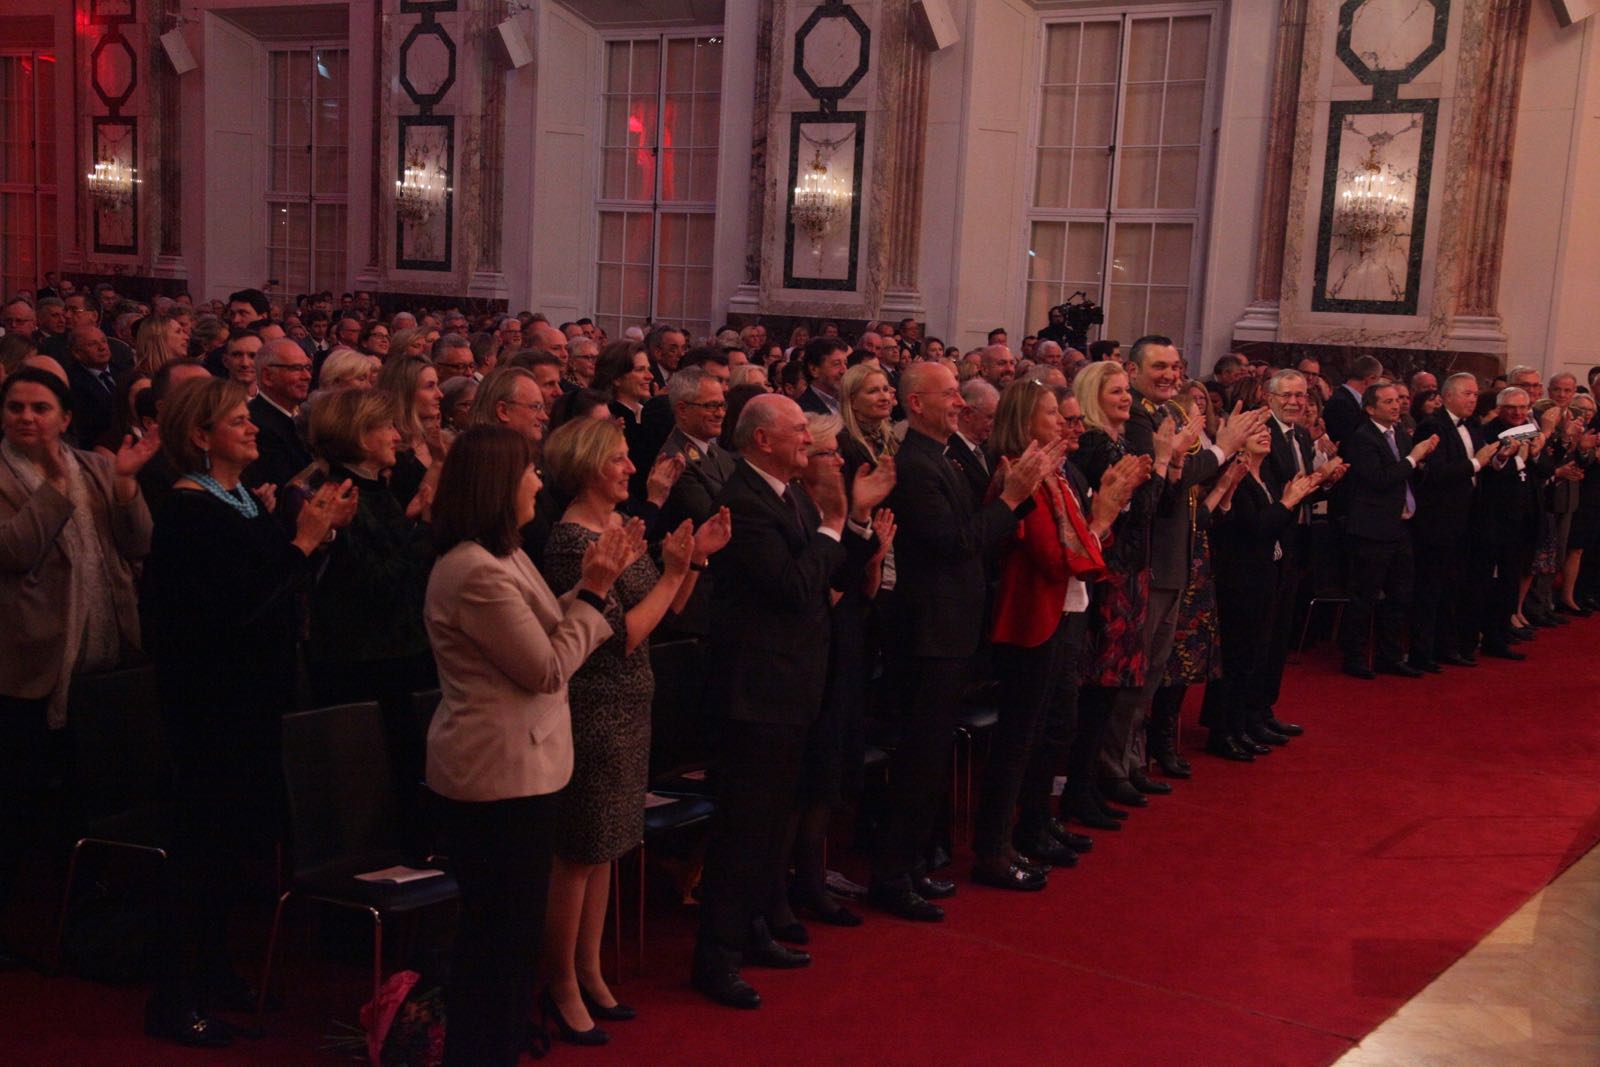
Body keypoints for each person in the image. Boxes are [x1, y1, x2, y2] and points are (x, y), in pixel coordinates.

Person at [143, 377, 356, 1048]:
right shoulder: (189, 509)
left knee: (233, 848)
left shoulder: (236, 499)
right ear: (200, 436)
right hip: (211, 704)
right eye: (237, 421)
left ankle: (217, 971)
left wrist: (312, 539)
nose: (253, 428)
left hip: (252, 697)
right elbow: (237, 605)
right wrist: (302, 540)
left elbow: (274, 580)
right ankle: (176, 997)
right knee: (201, 851)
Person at [424, 426, 638, 1066]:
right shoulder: (472, 570)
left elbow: (548, 624)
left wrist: (596, 581)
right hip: (495, 773)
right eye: (530, 473)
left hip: (527, 767)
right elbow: (545, 668)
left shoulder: (506, 555)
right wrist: (596, 594)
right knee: (498, 939)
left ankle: (499, 1047)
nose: (539, 483)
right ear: (498, 484)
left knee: (512, 939)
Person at [538, 418, 730, 1041]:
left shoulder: (615, 529)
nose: (631, 468)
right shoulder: (572, 541)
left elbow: (667, 608)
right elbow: (621, 637)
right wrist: (675, 573)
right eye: (620, 459)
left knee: (608, 849)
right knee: (579, 853)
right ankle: (559, 982)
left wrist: (691, 557)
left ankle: (590, 971)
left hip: (629, 706)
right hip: (593, 705)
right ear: (593, 466)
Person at [691, 395, 883, 1008]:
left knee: (770, 828)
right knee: (743, 832)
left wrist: (853, 524)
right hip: (755, 695)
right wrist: (832, 526)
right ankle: (715, 959)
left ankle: (752, 930)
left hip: (794, 687)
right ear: (761, 440)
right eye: (798, 429)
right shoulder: (745, 502)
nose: (810, 438)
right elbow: (796, 588)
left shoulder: (791, 494)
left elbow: (833, 576)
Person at [869, 361, 1058, 920]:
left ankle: (911, 865)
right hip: (928, 634)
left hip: (952, 630)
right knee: (917, 762)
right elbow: (955, 544)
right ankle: (891, 875)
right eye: (949, 394)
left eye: (958, 392)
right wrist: (1009, 499)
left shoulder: (947, 456)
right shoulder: (915, 466)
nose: (960, 401)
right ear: (917, 404)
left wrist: (1007, 492)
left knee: (930, 761)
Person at [0, 368, 156, 934]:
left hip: (102, 651)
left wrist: (126, 485)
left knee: (87, 794)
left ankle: (81, 909)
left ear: (65, 419)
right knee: (14, 798)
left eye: (40, 408)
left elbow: (137, 543)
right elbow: (14, 550)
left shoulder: (94, 465)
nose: (25, 417)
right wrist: (51, 486)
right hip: (28, 660)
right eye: (15, 407)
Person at [975, 380, 1129, 887]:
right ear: (1024, 420)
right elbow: (1051, 554)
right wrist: (1102, 520)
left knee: (1052, 726)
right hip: (1031, 616)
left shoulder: (1054, 473)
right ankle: (997, 846)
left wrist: (1097, 522)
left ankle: (1036, 823)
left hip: (1061, 611)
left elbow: (1078, 540)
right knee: (1021, 737)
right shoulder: (1021, 471)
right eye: (1049, 414)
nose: (1063, 423)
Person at [1066, 361, 1168, 827]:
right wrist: (1163, 462)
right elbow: (1145, 508)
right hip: (1108, 577)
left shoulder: (1121, 444)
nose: (1126, 398)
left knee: (1111, 690)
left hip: (1128, 573)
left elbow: (1143, 508)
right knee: (1097, 689)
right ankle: (1079, 790)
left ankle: (1088, 786)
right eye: (1115, 393)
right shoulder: (1095, 444)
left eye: (1127, 391)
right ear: (1092, 398)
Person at [303, 388, 437, 714]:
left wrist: (410, 524)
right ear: (361, 436)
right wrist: (426, 530)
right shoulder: (340, 497)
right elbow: (379, 583)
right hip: (369, 667)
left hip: (388, 657)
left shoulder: (371, 488)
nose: (396, 435)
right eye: (387, 426)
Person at [1202, 428, 1317, 759]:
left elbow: (1274, 527)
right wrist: (1289, 500)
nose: (1266, 435)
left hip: (1265, 575)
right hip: (1239, 579)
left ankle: (1243, 724)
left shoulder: (1263, 474)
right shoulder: (1236, 478)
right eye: (1256, 431)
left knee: (1254, 656)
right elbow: (1255, 529)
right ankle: (1223, 730)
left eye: (1267, 431)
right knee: (1237, 658)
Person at [1337, 381, 1438, 678]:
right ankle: (1354, 657)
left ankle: (1390, 656)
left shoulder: (1399, 435)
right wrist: (1413, 458)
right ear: (1370, 408)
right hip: (1372, 529)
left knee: (1400, 595)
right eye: (1388, 402)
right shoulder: (1362, 438)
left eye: (1398, 400)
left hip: (1400, 526)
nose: (1397, 406)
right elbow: (1379, 479)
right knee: (1365, 596)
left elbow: (1404, 476)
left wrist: (1418, 465)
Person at [1410, 373, 1500, 669]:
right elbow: (1436, 474)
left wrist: (1497, 459)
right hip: (1437, 521)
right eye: (1468, 394)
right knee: (1431, 588)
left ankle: (1448, 646)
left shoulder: (1473, 425)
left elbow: (1481, 463)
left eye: (1476, 394)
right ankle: (1422, 653)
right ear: (1448, 396)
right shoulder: (1432, 426)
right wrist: (1478, 462)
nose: (1474, 399)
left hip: (1468, 519)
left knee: (1455, 586)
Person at [244, 338, 314, 488]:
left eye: (308, 367)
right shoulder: (256, 425)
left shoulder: (299, 417)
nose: (307, 376)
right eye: (296, 368)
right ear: (268, 377)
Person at [376, 355, 445, 509]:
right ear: (405, 393)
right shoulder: (390, 453)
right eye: (430, 386)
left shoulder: (436, 440)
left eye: (437, 385)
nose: (440, 394)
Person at [797, 338, 848, 416]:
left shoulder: (848, 402)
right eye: (836, 364)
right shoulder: (804, 411)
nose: (844, 371)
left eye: (845, 363)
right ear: (814, 370)